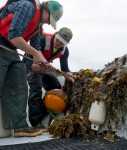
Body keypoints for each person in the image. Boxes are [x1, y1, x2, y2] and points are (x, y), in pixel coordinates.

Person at [0, 0, 63, 136]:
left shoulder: (38, 27)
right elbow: (14, 35)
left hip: (11, 50)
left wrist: (46, 65)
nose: (47, 22)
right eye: (49, 19)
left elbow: (36, 49)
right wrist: (36, 54)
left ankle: (20, 127)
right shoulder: (27, 6)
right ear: (45, 10)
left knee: (20, 83)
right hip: (2, 44)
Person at [23, 27, 73, 127]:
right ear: (55, 34)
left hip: (45, 69)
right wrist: (34, 65)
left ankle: (45, 115)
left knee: (56, 87)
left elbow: (65, 69)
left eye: (62, 43)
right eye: (58, 40)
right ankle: (35, 123)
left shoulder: (64, 51)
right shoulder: (43, 39)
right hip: (30, 64)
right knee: (36, 87)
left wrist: (71, 76)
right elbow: (32, 53)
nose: (58, 43)